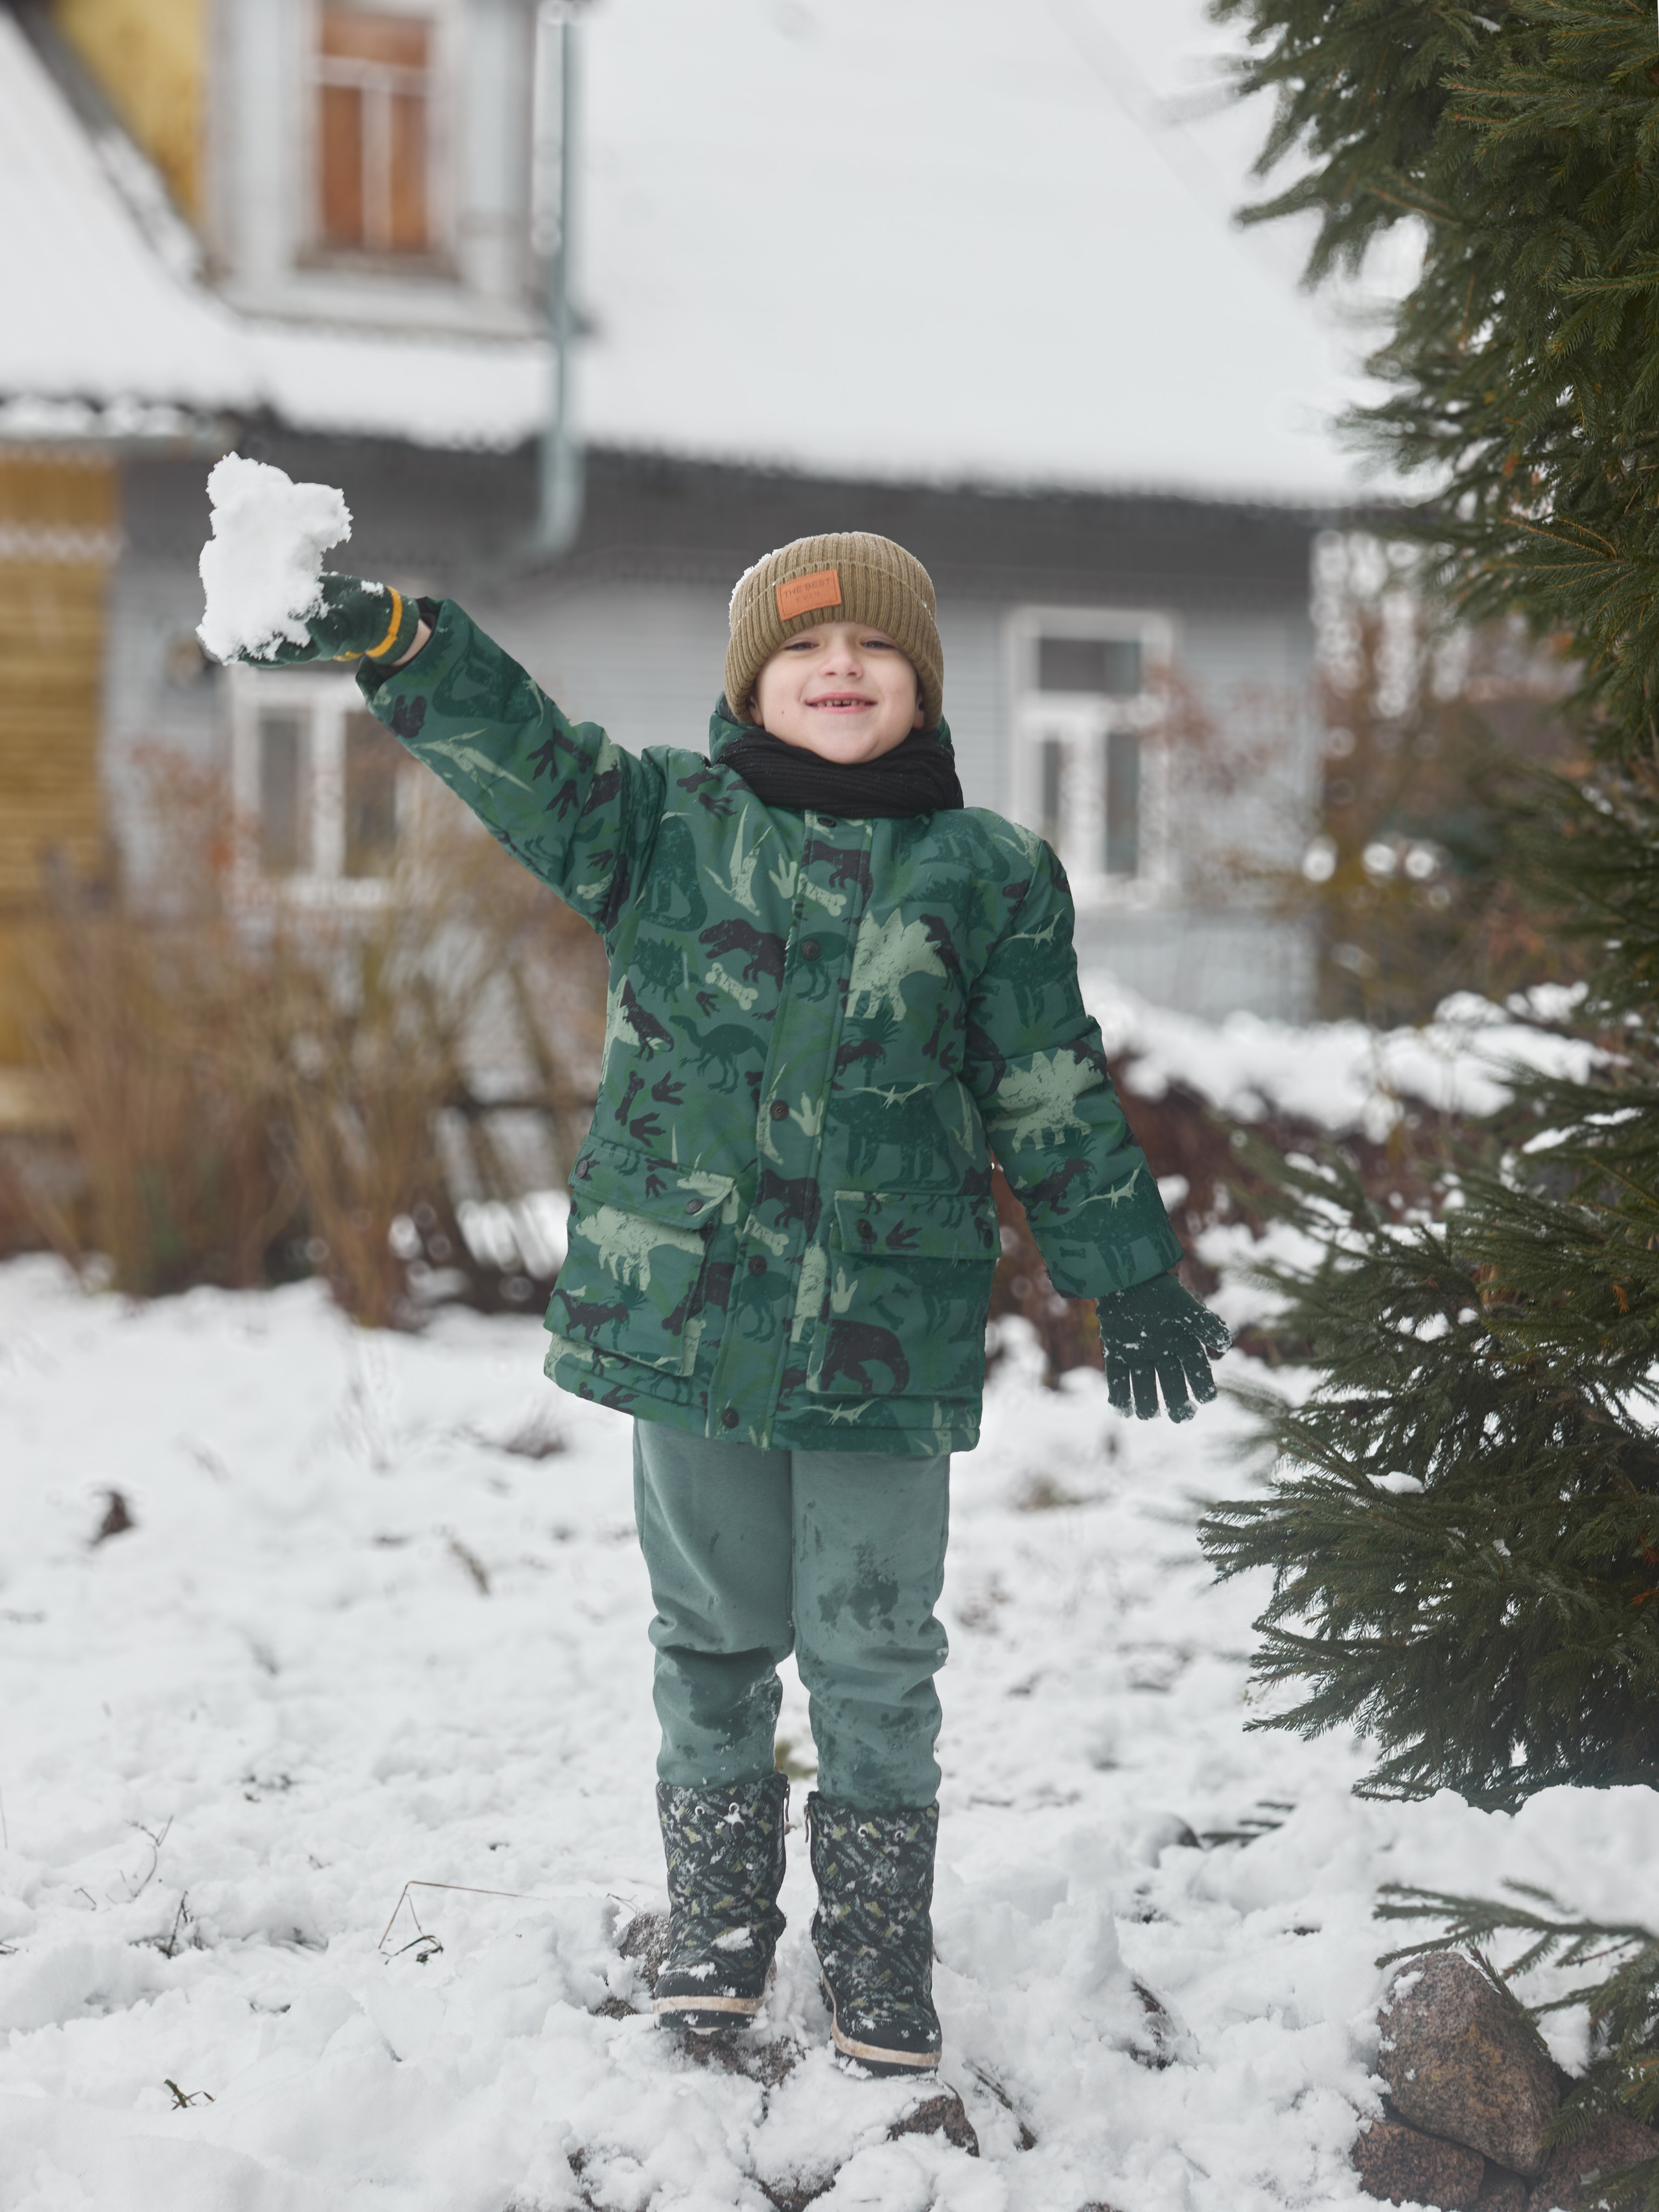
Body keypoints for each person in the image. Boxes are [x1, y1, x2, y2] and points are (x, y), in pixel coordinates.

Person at [235, 531, 1229, 2077]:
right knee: (708, 1634)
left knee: (874, 1649)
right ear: (750, 685)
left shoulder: (989, 876)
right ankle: (715, 1927)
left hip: (883, 1342)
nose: (839, 670)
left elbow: (1046, 1087)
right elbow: (523, 749)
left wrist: (1128, 1270)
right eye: (800, 652)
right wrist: (398, 637)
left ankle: (878, 1954)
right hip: (683, 1320)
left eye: (875, 652)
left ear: (922, 686)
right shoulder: (660, 829)